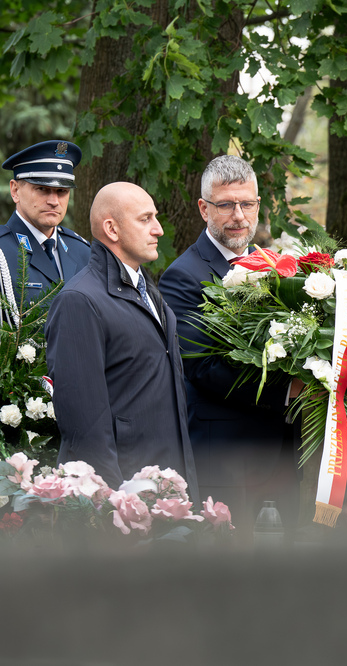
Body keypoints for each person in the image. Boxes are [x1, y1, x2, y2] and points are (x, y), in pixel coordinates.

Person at [159, 154, 300, 540]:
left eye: (248, 204)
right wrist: (288, 391)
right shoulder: (182, 278)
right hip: (225, 458)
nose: (239, 215)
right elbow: (204, 369)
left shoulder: (272, 266)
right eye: (226, 205)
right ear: (204, 208)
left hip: (284, 456)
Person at [45, 182, 198, 497]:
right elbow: (85, 429)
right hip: (126, 504)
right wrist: (115, 509)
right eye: (145, 219)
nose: (157, 230)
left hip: (168, 494)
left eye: (155, 218)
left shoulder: (150, 292)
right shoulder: (80, 301)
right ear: (111, 229)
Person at [0, 140, 90, 317]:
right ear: (15, 190)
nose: (54, 201)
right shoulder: (2, 251)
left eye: (62, 191)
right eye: (42, 189)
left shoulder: (82, 251)